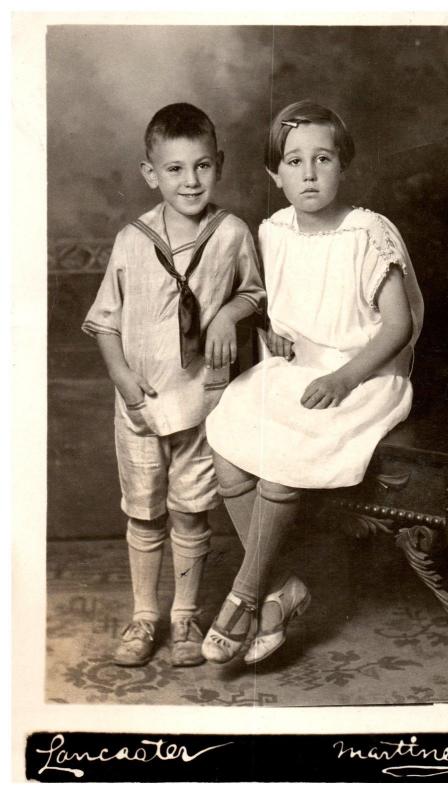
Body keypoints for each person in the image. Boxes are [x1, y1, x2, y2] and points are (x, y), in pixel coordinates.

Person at [203, 100, 424, 666]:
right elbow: (289, 311)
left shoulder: (366, 231)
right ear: (274, 175)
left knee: (282, 457)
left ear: (342, 165)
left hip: (365, 373)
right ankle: (281, 592)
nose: (308, 173)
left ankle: (249, 596)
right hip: (301, 369)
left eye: (322, 158)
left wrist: (346, 376)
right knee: (228, 447)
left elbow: (397, 326)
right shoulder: (274, 229)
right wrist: (277, 338)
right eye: (294, 161)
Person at [82, 103, 265, 668]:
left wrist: (228, 316)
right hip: (141, 400)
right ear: (150, 173)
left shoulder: (231, 233)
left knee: (191, 509)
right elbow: (106, 321)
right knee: (144, 510)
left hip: (203, 399)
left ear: (220, 165)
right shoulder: (132, 239)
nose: (191, 181)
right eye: (175, 169)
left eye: (203, 167)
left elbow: (254, 295)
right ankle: (145, 616)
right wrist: (123, 379)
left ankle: (185, 616)